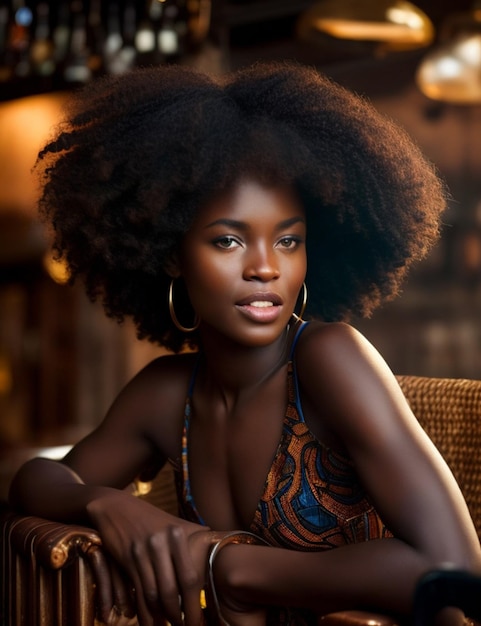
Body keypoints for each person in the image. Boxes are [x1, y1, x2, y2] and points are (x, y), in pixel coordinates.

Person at [9, 60, 481, 626]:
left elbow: (455, 572)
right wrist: (106, 504)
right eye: (229, 240)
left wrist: (225, 564)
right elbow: (32, 484)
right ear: (169, 254)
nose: (265, 268)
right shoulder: (166, 395)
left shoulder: (329, 359)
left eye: (288, 240)